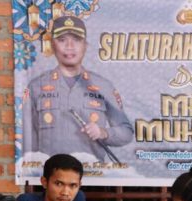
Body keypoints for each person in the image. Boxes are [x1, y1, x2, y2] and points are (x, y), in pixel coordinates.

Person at [21, 15, 133, 163]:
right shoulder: (36, 87)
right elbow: (27, 139)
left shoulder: (104, 86)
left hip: (93, 173)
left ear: (85, 45)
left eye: (76, 39)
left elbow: (126, 132)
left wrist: (103, 132)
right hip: (51, 173)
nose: (69, 46)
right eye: (62, 40)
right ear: (52, 45)